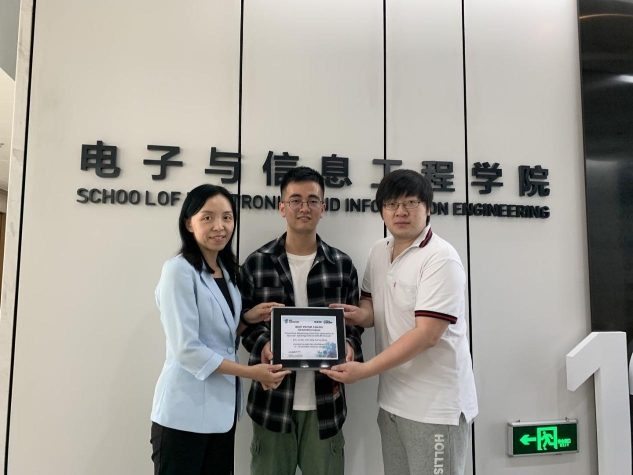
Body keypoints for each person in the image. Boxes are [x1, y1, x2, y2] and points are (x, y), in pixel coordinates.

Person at [321, 170, 478, 475]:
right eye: (392, 204)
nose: (401, 212)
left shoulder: (440, 258)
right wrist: (360, 315)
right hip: (392, 401)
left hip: (435, 408)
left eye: (410, 203)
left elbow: (427, 335)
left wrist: (365, 370)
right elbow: (371, 305)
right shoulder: (379, 251)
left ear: (428, 208)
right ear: (382, 210)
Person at [150, 184, 290, 475]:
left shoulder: (226, 272)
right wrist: (251, 373)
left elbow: (219, 337)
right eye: (208, 217)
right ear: (189, 223)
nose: (220, 226)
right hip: (184, 414)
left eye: (227, 217)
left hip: (220, 414)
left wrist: (247, 318)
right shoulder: (178, 270)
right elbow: (187, 349)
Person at [241, 167, 364, 475]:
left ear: (323, 208)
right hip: (272, 402)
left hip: (326, 403)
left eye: (312, 200)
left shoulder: (342, 265)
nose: (304, 207)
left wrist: (349, 347)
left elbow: (354, 325)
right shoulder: (257, 263)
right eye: (295, 200)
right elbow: (245, 323)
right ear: (282, 207)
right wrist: (264, 344)